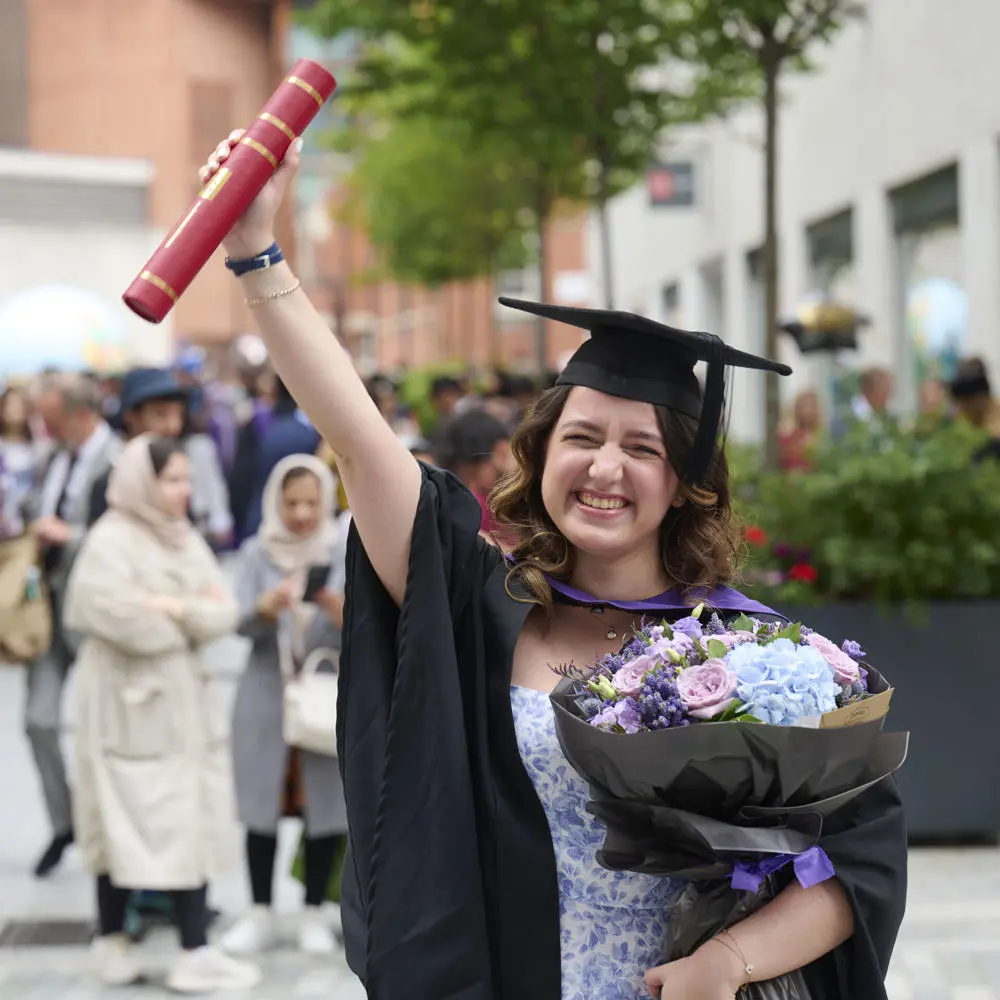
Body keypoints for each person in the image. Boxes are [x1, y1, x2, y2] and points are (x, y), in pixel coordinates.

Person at [200, 131, 906, 1000]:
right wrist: (258, 254)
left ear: (684, 484)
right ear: (542, 457)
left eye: (641, 448)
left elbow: (859, 857)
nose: (605, 468)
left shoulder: (755, 655)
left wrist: (726, 964)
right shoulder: (479, 605)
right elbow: (356, 438)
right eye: (581, 437)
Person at [63, 434, 260, 993]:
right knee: (118, 819)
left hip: (181, 710)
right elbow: (109, 614)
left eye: (185, 479)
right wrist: (183, 616)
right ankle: (114, 941)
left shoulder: (182, 538)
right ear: (140, 481)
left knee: (185, 822)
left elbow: (222, 611)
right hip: (125, 711)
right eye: (172, 479)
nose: (183, 491)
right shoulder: (109, 541)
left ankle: (193, 948)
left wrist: (172, 607)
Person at [222, 454, 347, 957]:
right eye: (291, 502)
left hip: (323, 698)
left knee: (325, 808)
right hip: (264, 698)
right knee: (261, 808)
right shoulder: (256, 553)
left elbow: (370, 629)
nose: (300, 514)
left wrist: (343, 614)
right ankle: (258, 911)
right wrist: (262, 608)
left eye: (311, 502)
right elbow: (237, 625)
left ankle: (313, 910)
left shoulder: (342, 550)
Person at [26, 376, 121, 877]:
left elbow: (124, 529)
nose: (43, 428)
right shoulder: (53, 458)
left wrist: (71, 534)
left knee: (98, 726)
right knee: (37, 720)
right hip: (45, 608)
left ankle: (103, 827)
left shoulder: (118, 459)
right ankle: (65, 824)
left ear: (80, 415)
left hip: (92, 610)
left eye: (52, 419)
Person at [778, 389, 822, 472]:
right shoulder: (789, 436)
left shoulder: (822, 436)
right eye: (804, 407)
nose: (807, 411)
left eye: (811, 407)